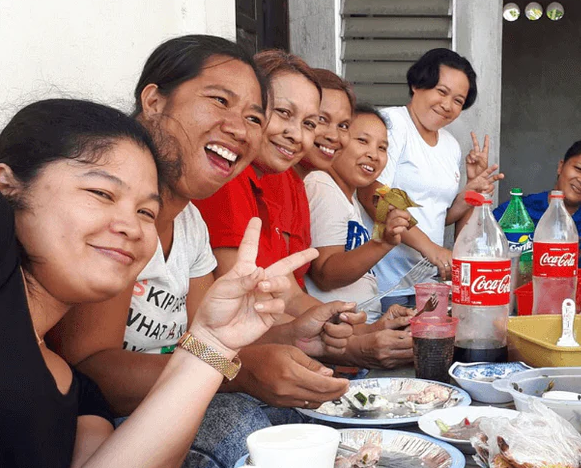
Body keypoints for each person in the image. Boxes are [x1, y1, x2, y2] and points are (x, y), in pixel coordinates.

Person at [0, 99, 315, 468]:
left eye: (146, 211)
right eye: (102, 193)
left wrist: (213, 345)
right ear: (8, 186)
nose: (131, 226)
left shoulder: (78, 391)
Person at [51, 36, 358, 468]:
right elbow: (93, 372)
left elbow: (205, 336)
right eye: (219, 100)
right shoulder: (120, 225)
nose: (239, 127)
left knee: (314, 422)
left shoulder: (189, 221)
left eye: (254, 116)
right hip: (108, 431)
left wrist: (300, 338)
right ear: (154, 100)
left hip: (176, 396)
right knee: (234, 424)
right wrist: (238, 372)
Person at [358, 48, 503, 310]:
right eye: (441, 91)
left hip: (425, 282)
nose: (447, 105)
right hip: (384, 280)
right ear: (417, 84)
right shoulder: (392, 124)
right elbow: (372, 195)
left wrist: (471, 193)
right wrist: (432, 249)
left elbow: (437, 216)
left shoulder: (450, 145)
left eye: (458, 100)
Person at [196, 49, 321, 305]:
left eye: (309, 123)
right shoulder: (225, 174)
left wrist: (348, 322)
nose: (296, 135)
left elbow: (289, 292)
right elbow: (243, 299)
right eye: (283, 112)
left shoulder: (281, 178)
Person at [304, 104, 417, 368]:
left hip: (350, 335)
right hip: (331, 348)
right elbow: (326, 274)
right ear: (338, 142)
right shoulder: (322, 185)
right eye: (362, 141)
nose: (374, 155)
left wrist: (378, 324)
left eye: (382, 147)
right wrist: (383, 243)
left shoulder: (349, 198)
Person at [493, 138, 581, 269]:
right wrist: (478, 194)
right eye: (579, 169)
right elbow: (481, 239)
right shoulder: (520, 210)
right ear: (561, 166)